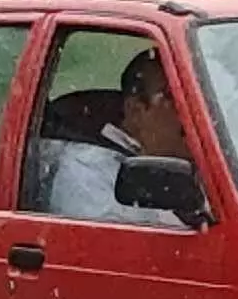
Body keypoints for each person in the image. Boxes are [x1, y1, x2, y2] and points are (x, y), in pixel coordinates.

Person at [35, 49, 193, 228]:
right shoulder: (87, 172)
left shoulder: (219, 157)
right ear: (136, 110)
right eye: (174, 96)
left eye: (196, 95)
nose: (193, 109)